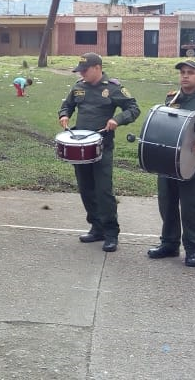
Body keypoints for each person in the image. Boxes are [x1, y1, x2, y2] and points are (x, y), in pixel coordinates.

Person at [146, 59, 195, 267]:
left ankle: (192, 249)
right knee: (167, 204)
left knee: (190, 208)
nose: (185, 76)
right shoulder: (172, 98)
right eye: (182, 72)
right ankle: (169, 244)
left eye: (190, 72)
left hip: (190, 164)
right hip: (167, 162)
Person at [58, 52, 140, 252]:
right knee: (86, 189)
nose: (82, 74)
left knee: (103, 191)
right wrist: (64, 115)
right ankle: (96, 227)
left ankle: (111, 233)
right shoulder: (78, 87)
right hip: (80, 145)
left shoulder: (112, 88)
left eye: (85, 70)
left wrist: (117, 120)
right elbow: (66, 105)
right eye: (80, 71)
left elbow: (133, 108)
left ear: (97, 68)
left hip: (102, 145)